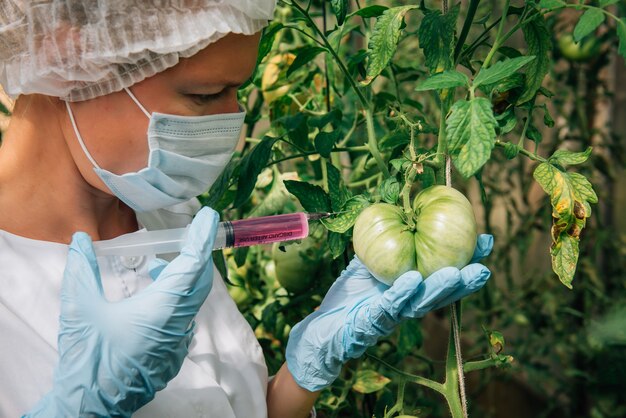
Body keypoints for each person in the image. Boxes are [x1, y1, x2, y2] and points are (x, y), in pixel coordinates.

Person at [0, 1, 493, 417]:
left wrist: (304, 371)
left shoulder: (166, 209)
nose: (232, 123)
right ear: (65, 55)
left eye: (238, 91)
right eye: (206, 94)